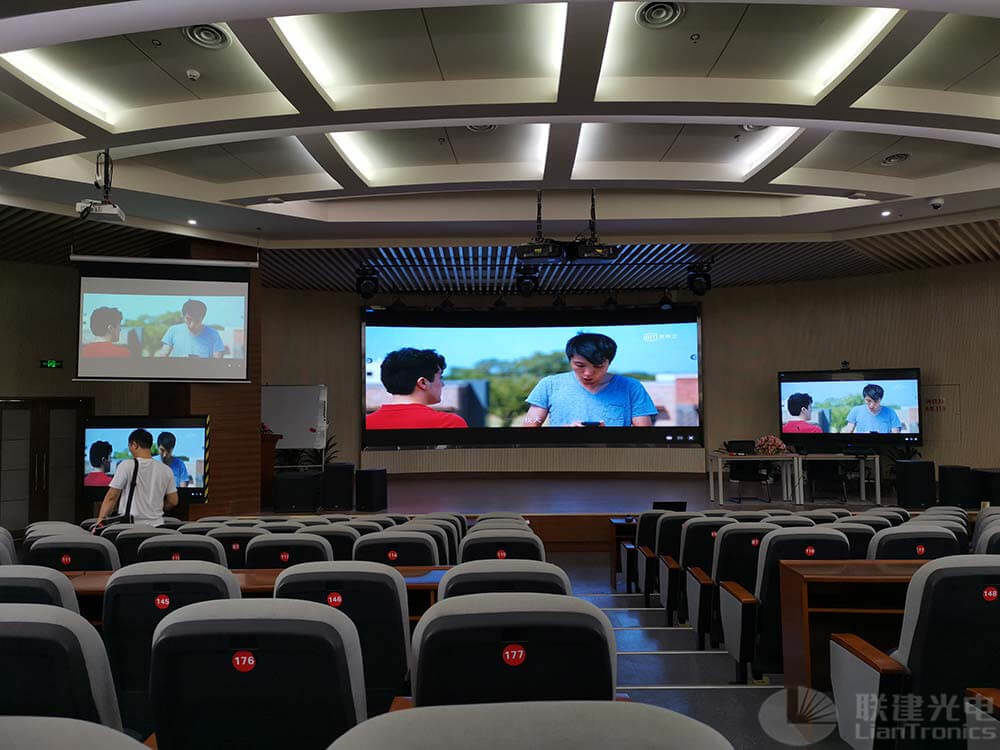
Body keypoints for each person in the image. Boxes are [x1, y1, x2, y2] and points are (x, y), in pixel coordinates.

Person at [523, 333, 657, 427]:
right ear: (570, 360)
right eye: (580, 365)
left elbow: (645, 434)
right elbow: (529, 426)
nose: (587, 373)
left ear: (609, 362)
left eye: (598, 366)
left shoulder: (631, 387)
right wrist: (564, 432)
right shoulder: (549, 385)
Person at [93, 428, 178, 528]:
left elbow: (112, 497)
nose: (129, 448)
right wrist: (156, 508)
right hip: (157, 527)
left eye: (129, 445)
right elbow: (173, 501)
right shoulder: (166, 470)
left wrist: (100, 522)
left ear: (134, 445)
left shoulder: (126, 465)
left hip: (131, 528)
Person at [366, 348, 469, 429]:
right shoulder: (450, 423)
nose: (443, 384)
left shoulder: (365, 423)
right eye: (440, 377)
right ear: (423, 383)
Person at [156, 299, 225, 359]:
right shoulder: (173, 330)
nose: (192, 325)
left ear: (203, 317)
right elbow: (163, 353)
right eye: (188, 319)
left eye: (197, 320)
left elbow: (217, 360)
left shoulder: (213, 334)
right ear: (183, 316)